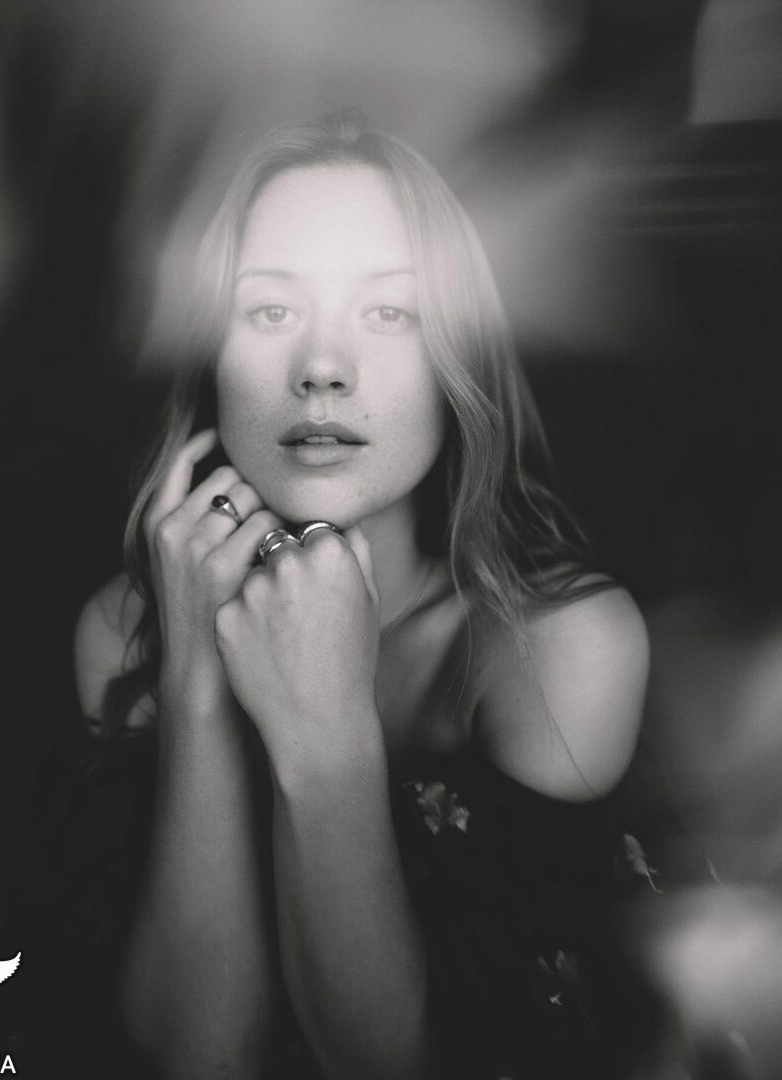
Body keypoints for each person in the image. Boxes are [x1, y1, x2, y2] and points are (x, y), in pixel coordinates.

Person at [72, 110, 652, 1079]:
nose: (322, 370)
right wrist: (196, 677)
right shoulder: (123, 631)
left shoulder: (555, 648)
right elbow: (196, 1052)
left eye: (389, 314)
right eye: (269, 312)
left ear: (456, 357)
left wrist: (328, 733)